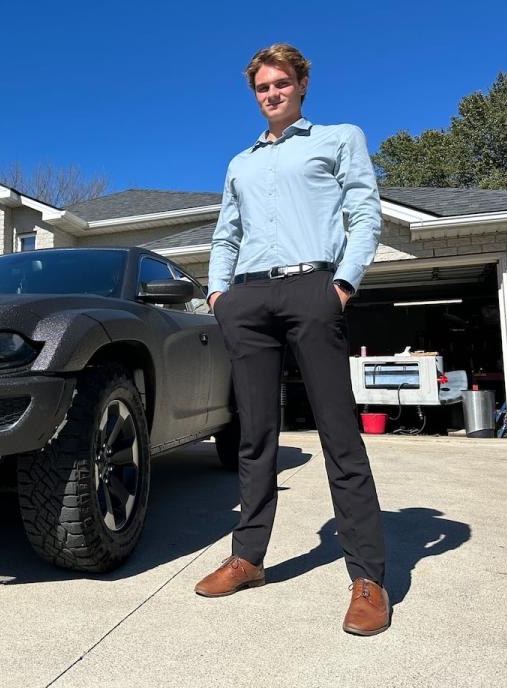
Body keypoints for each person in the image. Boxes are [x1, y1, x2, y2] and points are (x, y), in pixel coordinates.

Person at [194, 44, 390, 636]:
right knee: (255, 437)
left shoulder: (337, 139)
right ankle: (248, 558)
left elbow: (365, 212)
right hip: (248, 301)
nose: (272, 93)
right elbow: (227, 234)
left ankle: (369, 577)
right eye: (262, 87)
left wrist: (343, 285)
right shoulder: (240, 163)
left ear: (301, 84)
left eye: (281, 83)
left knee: (338, 433)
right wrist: (217, 296)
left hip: (313, 287)